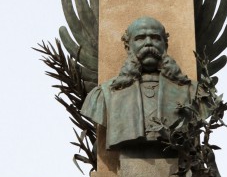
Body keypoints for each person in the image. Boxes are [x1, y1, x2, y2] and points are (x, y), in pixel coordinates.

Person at [81, 16, 212, 149]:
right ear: (128, 47)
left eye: (155, 38)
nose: (148, 43)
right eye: (140, 38)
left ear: (165, 45)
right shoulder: (104, 94)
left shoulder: (193, 92)